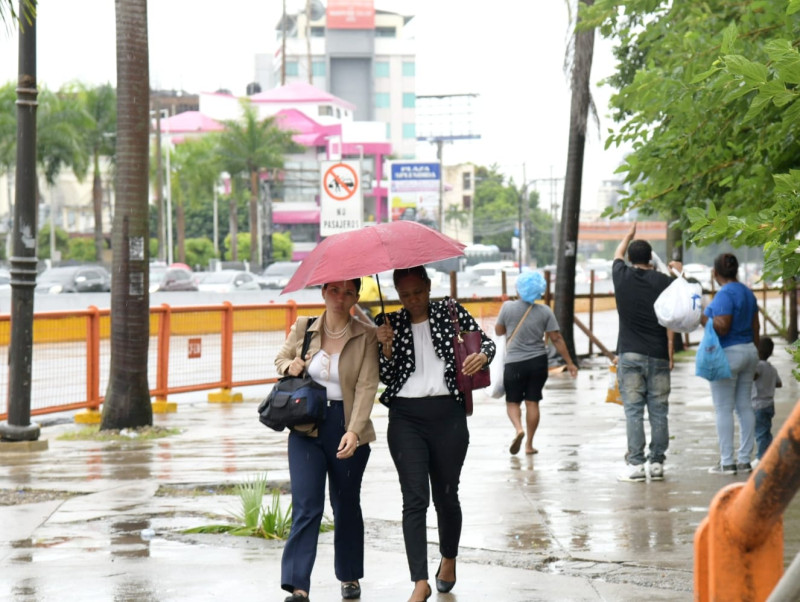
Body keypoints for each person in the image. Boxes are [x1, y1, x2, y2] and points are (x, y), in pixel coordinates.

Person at [375, 266, 495, 602]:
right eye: (405, 294)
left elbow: (486, 342)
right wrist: (383, 348)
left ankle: (449, 558)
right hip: (405, 418)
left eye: (418, 292)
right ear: (397, 294)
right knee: (414, 500)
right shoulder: (388, 323)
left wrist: (482, 356)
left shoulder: (449, 311)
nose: (413, 300)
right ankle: (419, 582)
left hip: (448, 416)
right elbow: (384, 375)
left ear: (428, 287)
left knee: (446, 495)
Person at [275, 279, 379, 602]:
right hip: (306, 427)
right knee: (307, 506)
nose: (340, 297)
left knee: (346, 504)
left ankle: (349, 575)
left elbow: (366, 387)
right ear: (323, 292)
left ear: (356, 296)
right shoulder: (304, 327)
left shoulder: (366, 336)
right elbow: (279, 361)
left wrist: (354, 429)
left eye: (348, 292)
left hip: (346, 425)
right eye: (334, 290)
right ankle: (298, 585)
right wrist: (290, 365)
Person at [612, 222, 681, 482]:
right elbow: (672, 318)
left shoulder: (621, 275)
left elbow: (617, 255)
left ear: (631, 259)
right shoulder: (664, 281)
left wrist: (628, 235)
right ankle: (657, 463)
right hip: (659, 353)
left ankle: (637, 465)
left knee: (633, 411)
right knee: (659, 411)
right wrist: (671, 351)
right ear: (650, 259)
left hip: (629, 355)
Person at [495, 271, 578, 456]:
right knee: (533, 402)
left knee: (512, 402)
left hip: (515, 363)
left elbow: (499, 331)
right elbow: (556, 338)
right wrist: (570, 363)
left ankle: (518, 429)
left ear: (518, 288)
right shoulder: (545, 311)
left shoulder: (507, 307)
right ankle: (529, 445)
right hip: (538, 363)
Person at [703, 252, 760, 475]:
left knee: (723, 409)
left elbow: (723, 325)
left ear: (715, 272)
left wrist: (702, 317)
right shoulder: (747, 292)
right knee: (744, 405)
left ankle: (727, 462)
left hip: (728, 354)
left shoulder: (725, 294)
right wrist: (756, 357)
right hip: (749, 351)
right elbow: (756, 327)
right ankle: (745, 459)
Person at [752, 336, 782, 461]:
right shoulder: (772, 368)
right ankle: (770, 455)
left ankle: (761, 458)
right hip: (769, 404)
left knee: (760, 434)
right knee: (766, 432)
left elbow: (754, 375)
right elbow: (779, 384)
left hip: (758, 405)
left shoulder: (758, 366)